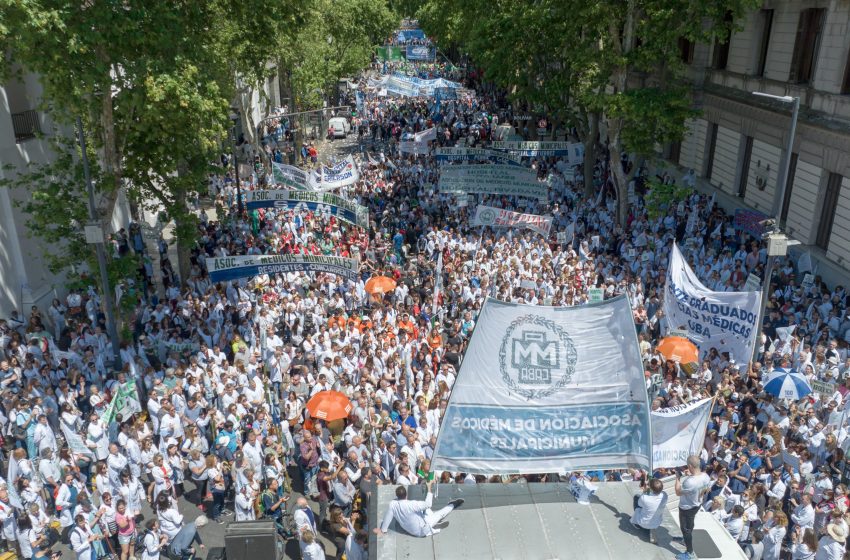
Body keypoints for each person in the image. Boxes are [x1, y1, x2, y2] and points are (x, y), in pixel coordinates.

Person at [374, 480, 463, 538]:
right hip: (422, 530)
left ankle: (434, 524)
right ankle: (452, 505)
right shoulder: (411, 504)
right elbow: (428, 504)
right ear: (406, 494)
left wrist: (383, 530)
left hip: (410, 530)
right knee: (439, 514)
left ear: (397, 495)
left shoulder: (392, 504)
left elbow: (387, 518)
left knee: (425, 510)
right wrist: (429, 488)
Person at [674, 455, 710, 560]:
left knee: (685, 529)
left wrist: (677, 477)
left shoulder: (689, 481)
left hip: (687, 508)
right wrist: (690, 475)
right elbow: (704, 489)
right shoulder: (706, 476)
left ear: (690, 465)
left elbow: (678, 492)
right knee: (690, 525)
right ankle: (685, 540)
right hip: (697, 504)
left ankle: (690, 553)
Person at [631, 477, 667, 543]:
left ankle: (636, 523)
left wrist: (644, 491)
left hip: (642, 523)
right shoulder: (665, 496)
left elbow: (639, 504)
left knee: (636, 497)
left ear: (651, 489)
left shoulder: (644, 498)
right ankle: (651, 528)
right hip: (657, 523)